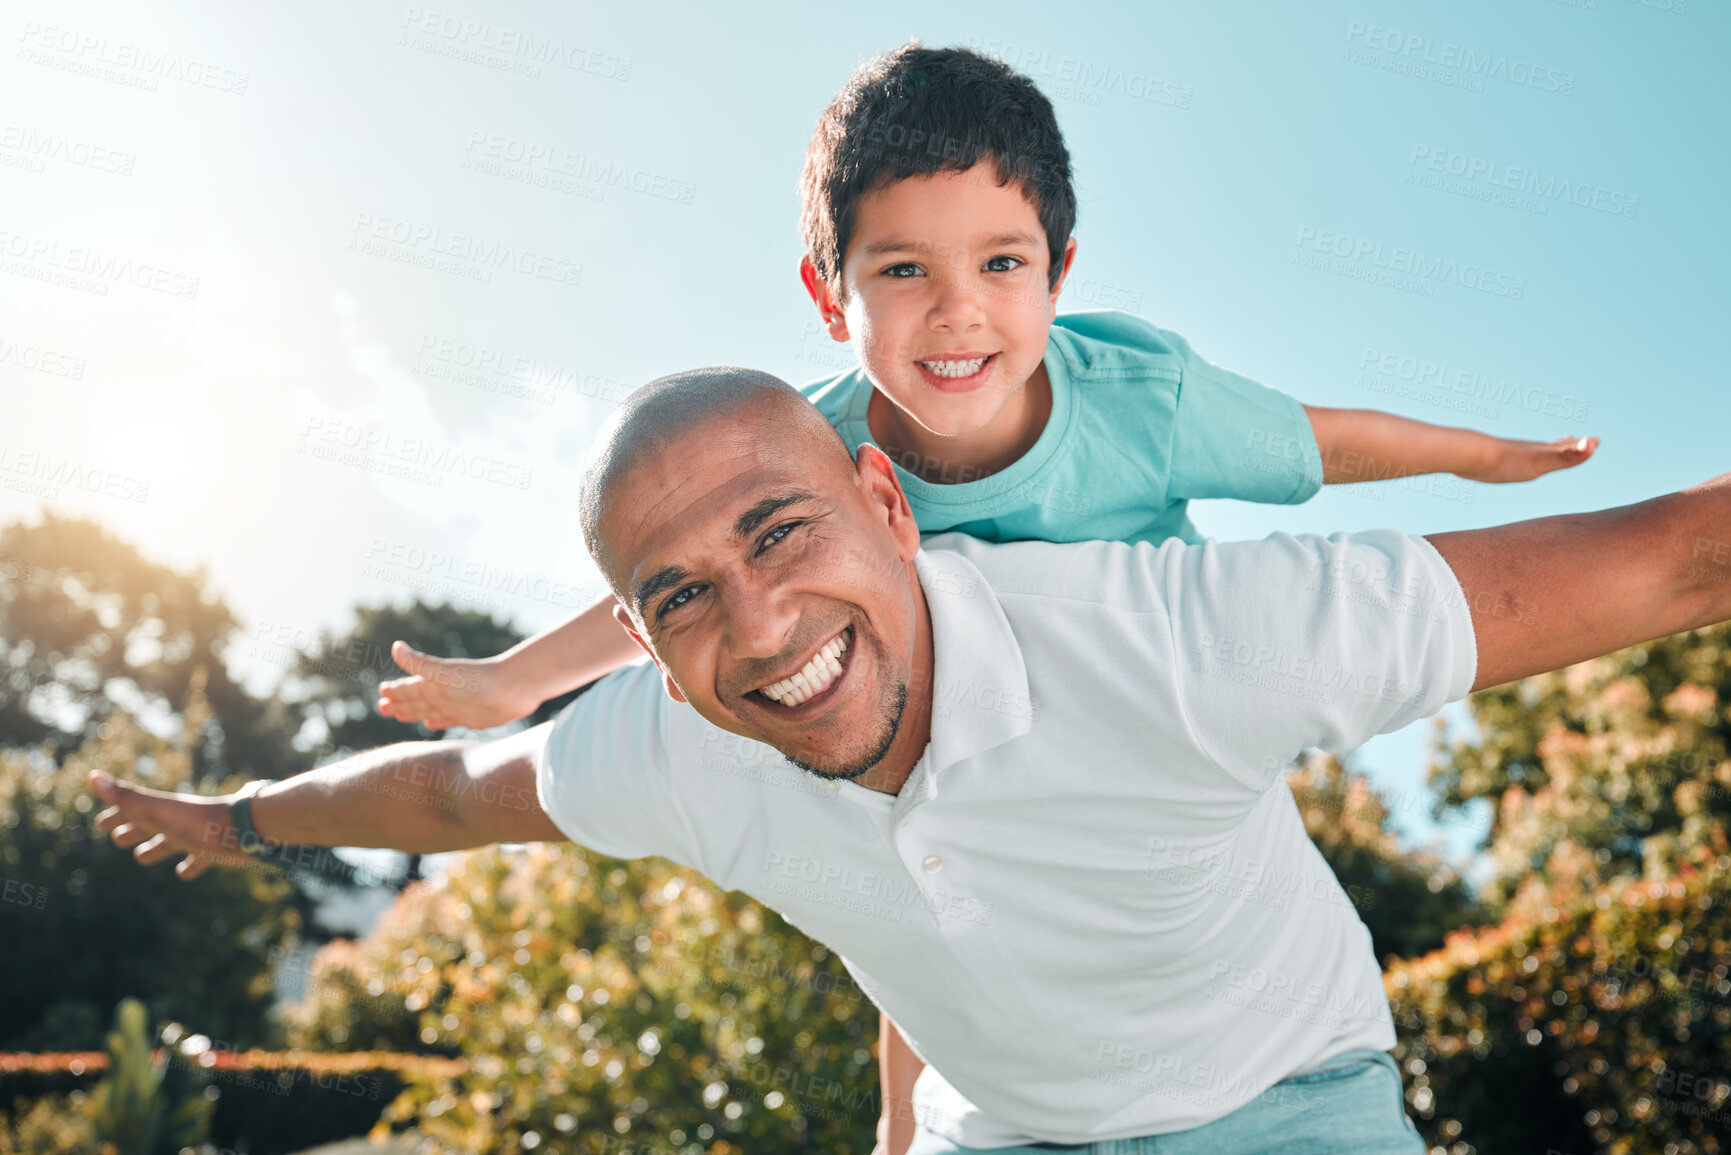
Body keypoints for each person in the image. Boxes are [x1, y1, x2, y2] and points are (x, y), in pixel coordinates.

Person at [91, 369, 1730, 1153]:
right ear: (649, 650)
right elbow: (451, 791)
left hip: (1277, 1105)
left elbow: (1666, 563)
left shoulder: (1174, 638)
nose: (762, 625)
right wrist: (245, 817)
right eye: (683, 599)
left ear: (887, 506)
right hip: (1001, 1128)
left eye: (781, 530)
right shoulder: (678, 746)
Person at [372, 43, 1596, 736]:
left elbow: (1327, 442)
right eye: (902, 271)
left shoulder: (1143, 401)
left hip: (1142, 661)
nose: (958, 313)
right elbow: (696, 575)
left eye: (1001, 265)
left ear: (1059, 275)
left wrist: (1485, 456)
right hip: (971, 699)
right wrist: (512, 681)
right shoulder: (812, 446)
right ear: (827, 298)